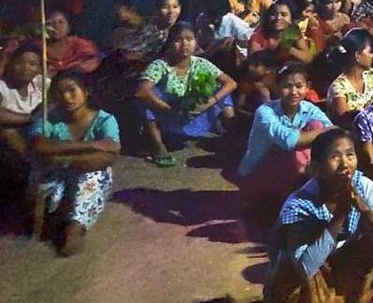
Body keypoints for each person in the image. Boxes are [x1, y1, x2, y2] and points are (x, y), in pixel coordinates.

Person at [264, 129, 373, 303]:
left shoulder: (363, 186)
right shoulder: (299, 205)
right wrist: (340, 216)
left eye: (350, 154)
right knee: (303, 276)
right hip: (302, 275)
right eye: (335, 157)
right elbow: (305, 267)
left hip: (338, 267)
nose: (345, 164)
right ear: (315, 168)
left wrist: (363, 209)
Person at [28, 71, 121, 256]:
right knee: (41, 192)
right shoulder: (48, 117)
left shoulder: (104, 119)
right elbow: (38, 145)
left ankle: (75, 228)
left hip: (85, 171)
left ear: (85, 91)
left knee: (96, 175)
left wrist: (63, 157)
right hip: (56, 173)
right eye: (59, 93)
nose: (66, 97)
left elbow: (109, 155)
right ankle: (50, 216)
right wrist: (92, 145)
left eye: (72, 90)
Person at [238, 62, 333, 220]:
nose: (294, 92)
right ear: (276, 87)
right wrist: (324, 132)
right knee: (301, 143)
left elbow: (333, 133)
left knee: (317, 128)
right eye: (287, 86)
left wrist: (324, 131)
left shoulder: (309, 109)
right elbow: (288, 141)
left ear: (307, 87)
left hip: (292, 174)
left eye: (299, 86)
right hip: (259, 174)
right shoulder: (265, 112)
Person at [136, 22, 237, 167]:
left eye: (189, 39)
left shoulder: (200, 63)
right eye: (178, 40)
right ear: (170, 43)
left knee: (221, 92)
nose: (184, 44)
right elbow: (142, 90)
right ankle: (158, 147)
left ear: (196, 42)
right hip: (169, 118)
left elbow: (231, 83)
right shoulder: (160, 65)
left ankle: (231, 139)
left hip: (195, 117)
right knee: (149, 97)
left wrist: (207, 103)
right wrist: (166, 108)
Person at [326, 29, 373, 124]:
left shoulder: (371, 75)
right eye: (370, 52)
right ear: (358, 56)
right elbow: (345, 122)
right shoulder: (339, 89)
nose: (372, 55)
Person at [41, 10, 100, 77]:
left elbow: (93, 62)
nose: (56, 26)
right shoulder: (40, 48)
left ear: (68, 26)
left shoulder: (81, 45)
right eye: (50, 23)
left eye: (61, 22)